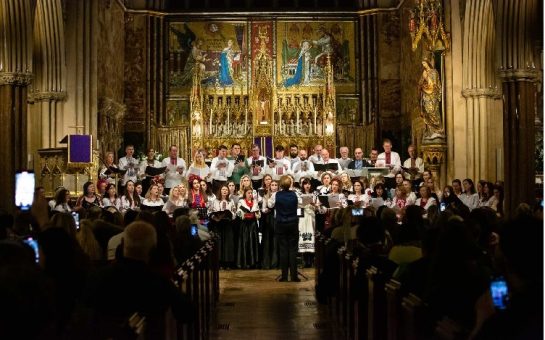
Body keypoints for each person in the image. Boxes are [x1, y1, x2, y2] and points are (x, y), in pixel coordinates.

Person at [83, 221, 193, 335]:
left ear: (122, 243)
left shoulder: (97, 276)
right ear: (153, 249)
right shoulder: (158, 282)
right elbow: (187, 313)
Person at [273, 176, 300, 281]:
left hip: (280, 224)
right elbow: (300, 204)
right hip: (293, 223)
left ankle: (284, 276)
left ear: (280, 184)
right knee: (293, 250)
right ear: (290, 184)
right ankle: (294, 276)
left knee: (283, 250)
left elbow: (270, 204)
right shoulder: (295, 194)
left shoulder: (276, 194)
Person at [208, 185, 237, 268]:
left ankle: (227, 262)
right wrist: (215, 217)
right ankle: (219, 262)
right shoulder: (215, 201)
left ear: (228, 192)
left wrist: (231, 215)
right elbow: (210, 211)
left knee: (228, 243)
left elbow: (234, 212)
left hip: (227, 225)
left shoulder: (230, 201)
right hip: (218, 225)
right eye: (223, 189)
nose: (225, 191)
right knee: (219, 243)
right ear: (220, 191)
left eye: (226, 190)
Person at [419, 57, 443, 138]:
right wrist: (422, 83)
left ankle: (438, 129)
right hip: (425, 95)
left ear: (428, 63)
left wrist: (426, 78)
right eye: (422, 64)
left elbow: (434, 84)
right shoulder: (424, 72)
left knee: (432, 111)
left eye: (425, 63)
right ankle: (431, 131)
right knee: (427, 111)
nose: (424, 65)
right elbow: (420, 84)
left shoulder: (434, 72)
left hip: (432, 95)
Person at [236, 188, 260, 269]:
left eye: (251, 193)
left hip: (253, 225)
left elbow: (258, 213)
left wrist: (256, 215)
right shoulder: (241, 202)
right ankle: (245, 263)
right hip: (245, 225)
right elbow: (238, 212)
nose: (250, 194)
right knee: (245, 242)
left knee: (253, 242)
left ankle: (253, 263)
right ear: (245, 194)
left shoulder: (255, 202)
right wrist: (245, 215)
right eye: (248, 193)